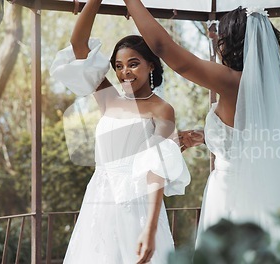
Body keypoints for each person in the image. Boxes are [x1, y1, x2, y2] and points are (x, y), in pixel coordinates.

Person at [123, 1, 280, 244]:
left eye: (222, 39)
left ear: (231, 44)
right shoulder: (268, 88)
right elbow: (249, 138)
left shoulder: (231, 81)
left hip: (231, 195)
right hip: (263, 194)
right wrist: (208, 137)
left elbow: (163, 47)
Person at [49, 0, 191, 263]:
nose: (124, 72)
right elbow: (79, 45)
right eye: (118, 65)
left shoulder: (162, 110)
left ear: (151, 65)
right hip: (98, 204)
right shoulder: (109, 99)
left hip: (137, 207)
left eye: (133, 64)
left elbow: (156, 170)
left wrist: (149, 229)